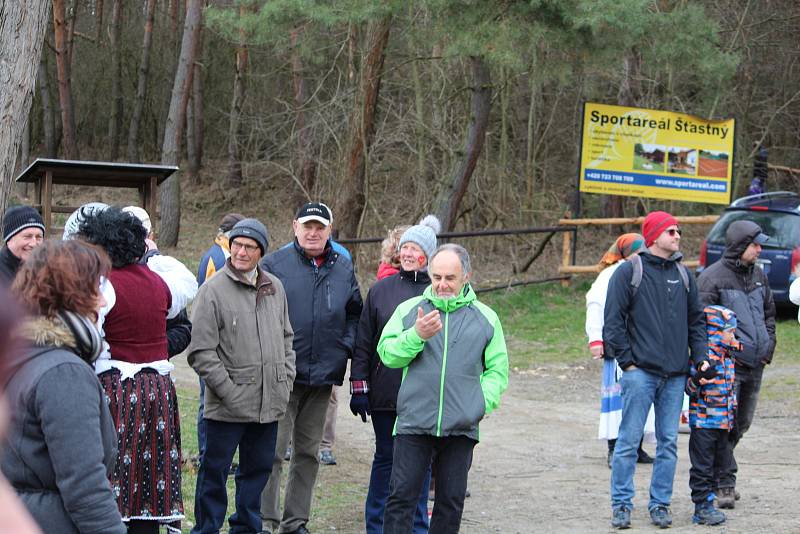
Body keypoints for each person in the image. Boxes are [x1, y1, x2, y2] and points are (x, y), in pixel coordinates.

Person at [78, 207, 197, 533]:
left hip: (119, 391)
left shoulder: (104, 287)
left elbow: (88, 342)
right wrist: (153, 254)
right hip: (158, 391)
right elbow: (188, 282)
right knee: (152, 470)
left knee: (116, 470)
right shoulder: (159, 282)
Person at [379, 243, 509, 534]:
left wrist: (479, 404)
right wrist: (416, 335)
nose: (442, 284)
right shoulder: (410, 311)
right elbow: (388, 354)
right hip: (413, 423)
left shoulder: (486, 318)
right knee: (401, 499)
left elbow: (497, 371)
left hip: (461, 427)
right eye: (436, 277)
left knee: (450, 504)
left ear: (467, 276)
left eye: (450, 278)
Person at [2, 239, 126, 533]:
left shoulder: (19, 355)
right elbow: (85, 488)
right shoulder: (63, 372)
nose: (104, 301)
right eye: (96, 289)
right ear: (72, 294)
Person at [188, 218, 296, 534]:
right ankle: (207, 528)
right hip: (226, 407)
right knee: (214, 473)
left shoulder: (275, 288)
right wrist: (230, 393)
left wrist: (285, 379)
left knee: (257, 474)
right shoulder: (212, 291)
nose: (241, 252)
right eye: (236, 245)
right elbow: (201, 352)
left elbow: (288, 337)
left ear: (261, 251)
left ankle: (247, 529)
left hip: (269, 403)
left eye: (249, 246)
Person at [260, 202, 362, 534]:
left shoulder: (342, 267)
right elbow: (257, 312)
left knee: (308, 454)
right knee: (272, 452)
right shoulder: (274, 264)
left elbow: (354, 314)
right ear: (295, 227)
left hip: (322, 379)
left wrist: (342, 348)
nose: (313, 232)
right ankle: (266, 521)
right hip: (281, 375)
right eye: (308, 226)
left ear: (329, 230)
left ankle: (295, 522)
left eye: (320, 227)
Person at [603, 211, 706, 529]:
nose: (678, 236)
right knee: (628, 441)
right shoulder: (628, 272)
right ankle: (621, 504)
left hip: (676, 376)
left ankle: (659, 504)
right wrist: (628, 364)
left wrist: (699, 358)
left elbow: (697, 321)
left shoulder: (685, 274)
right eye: (671, 231)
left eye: (678, 230)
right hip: (640, 374)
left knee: (668, 443)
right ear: (654, 236)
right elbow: (613, 322)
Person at [351, 215, 441, 534]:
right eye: (404, 248)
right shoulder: (380, 290)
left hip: (425, 396)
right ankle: (376, 525)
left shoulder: (439, 292)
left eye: (415, 248)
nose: (407, 253)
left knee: (419, 465)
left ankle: (417, 527)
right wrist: (359, 387)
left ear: (428, 255)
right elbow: (364, 341)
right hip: (385, 393)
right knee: (386, 459)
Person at [696, 220, 775, 508]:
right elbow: (701, 325)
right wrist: (712, 362)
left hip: (756, 363)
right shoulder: (711, 278)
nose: (759, 249)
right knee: (725, 424)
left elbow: (769, 313)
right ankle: (725, 483)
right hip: (728, 367)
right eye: (755, 244)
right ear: (741, 246)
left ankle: (720, 475)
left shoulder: (759, 275)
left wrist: (768, 347)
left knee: (742, 424)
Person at [585, 233, 654, 468]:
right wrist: (596, 337)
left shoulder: (645, 270)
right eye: (638, 249)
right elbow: (595, 304)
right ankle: (614, 448)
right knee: (618, 397)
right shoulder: (610, 275)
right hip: (619, 346)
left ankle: (637, 446)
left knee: (641, 395)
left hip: (642, 344)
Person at [194, 212, 246, 461]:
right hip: (214, 342)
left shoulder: (222, 255)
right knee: (208, 399)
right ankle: (207, 453)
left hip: (225, 343)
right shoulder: (216, 258)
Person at [686, 306, 739, 526]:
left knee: (720, 463)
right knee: (702, 467)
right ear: (716, 331)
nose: (734, 337)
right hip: (704, 424)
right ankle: (702, 505)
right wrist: (698, 379)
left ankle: (711, 497)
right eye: (730, 332)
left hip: (723, 423)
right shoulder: (702, 359)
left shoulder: (728, 355)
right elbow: (688, 388)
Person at [0, 205, 45, 286]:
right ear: (9, 239)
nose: (34, 244)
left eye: (38, 237)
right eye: (27, 237)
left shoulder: (47, 268)